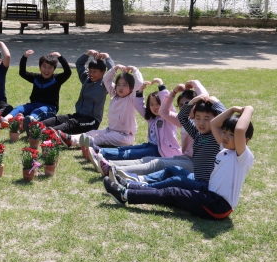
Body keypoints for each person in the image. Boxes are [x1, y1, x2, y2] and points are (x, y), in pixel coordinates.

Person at [103, 106, 254, 220]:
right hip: (208, 189)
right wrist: (233, 109)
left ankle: (126, 195)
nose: (226, 136)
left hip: (218, 205)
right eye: (225, 132)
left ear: (245, 141)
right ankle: (131, 185)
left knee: (173, 192)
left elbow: (240, 130)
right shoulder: (224, 148)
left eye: (231, 135)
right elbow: (215, 124)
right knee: (175, 179)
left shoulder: (243, 157)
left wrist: (248, 109)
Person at [113, 94, 227, 191]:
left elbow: (226, 118)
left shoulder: (218, 137)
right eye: (198, 118)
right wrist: (192, 102)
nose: (201, 123)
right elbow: (182, 117)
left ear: (216, 120)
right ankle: (138, 178)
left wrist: (215, 101)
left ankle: (140, 186)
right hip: (196, 176)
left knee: (175, 179)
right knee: (171, 169)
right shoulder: (197, 134)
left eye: (207, 119)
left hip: (206, 184)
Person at [105, 80, 208, 177]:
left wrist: (195, 83)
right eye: (181, 105)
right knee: (146, 159)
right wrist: (173, 92)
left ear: (198, 103)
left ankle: (114, 170)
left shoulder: (207, 123)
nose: (185, 107)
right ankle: (110, 165)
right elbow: (164, 112)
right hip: (184, 158)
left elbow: (207, 100)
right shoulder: (183, 120)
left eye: (189, 104)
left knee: (155, 163)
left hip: (193, 163)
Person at [91, 78, 182, 174]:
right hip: (151, 146)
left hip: (161, 152)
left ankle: (101, 154)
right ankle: (99, 150)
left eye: (158, 104)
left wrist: (161, 85)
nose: (155, 107)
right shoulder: (151, 118)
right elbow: (139, 105)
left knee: (131, 154)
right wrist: (140, 91)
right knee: (127, 149)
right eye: (151, 104)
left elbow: (167, 104)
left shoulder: (169, 118)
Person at [55, 65, 143, 161]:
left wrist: (135, 69)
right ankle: (70, 139)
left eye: (124, 85)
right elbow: (106, 79)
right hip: (111, 130)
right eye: (118, 84)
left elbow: (140, 83)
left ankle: (79, 142)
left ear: (131, 88)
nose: (120, 88)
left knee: (102, 138)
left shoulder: (131, 98)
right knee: (92, 133)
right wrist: (114, 68)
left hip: (124, 136)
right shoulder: (114, 95)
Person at [42, 49, 114, 134]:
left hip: (91, 121)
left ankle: (47, 132)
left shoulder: (104, 84)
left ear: (102, 72)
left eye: (95, 72)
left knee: (70, 123)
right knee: (60, 118)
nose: (91, 74)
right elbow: (79, 64)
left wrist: (107, 56)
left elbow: (112, 70)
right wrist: (88, 53)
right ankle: (37, 125)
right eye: (90, 71)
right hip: (79, 115)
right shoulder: (86, 79)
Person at [2, 50, 72, 130]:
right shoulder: (36, 78)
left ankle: (29, 121)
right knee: (20, 108)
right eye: (44, 66)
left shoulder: (56, 79)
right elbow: (22, 72)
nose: (46, 70)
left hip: (49, 108)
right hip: (33, 105)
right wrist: (24, 57)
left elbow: (68, 72)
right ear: (39, 67)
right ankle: (5, 120)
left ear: (54, 69)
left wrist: (60, 57)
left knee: (40, 111)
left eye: (50, 68)